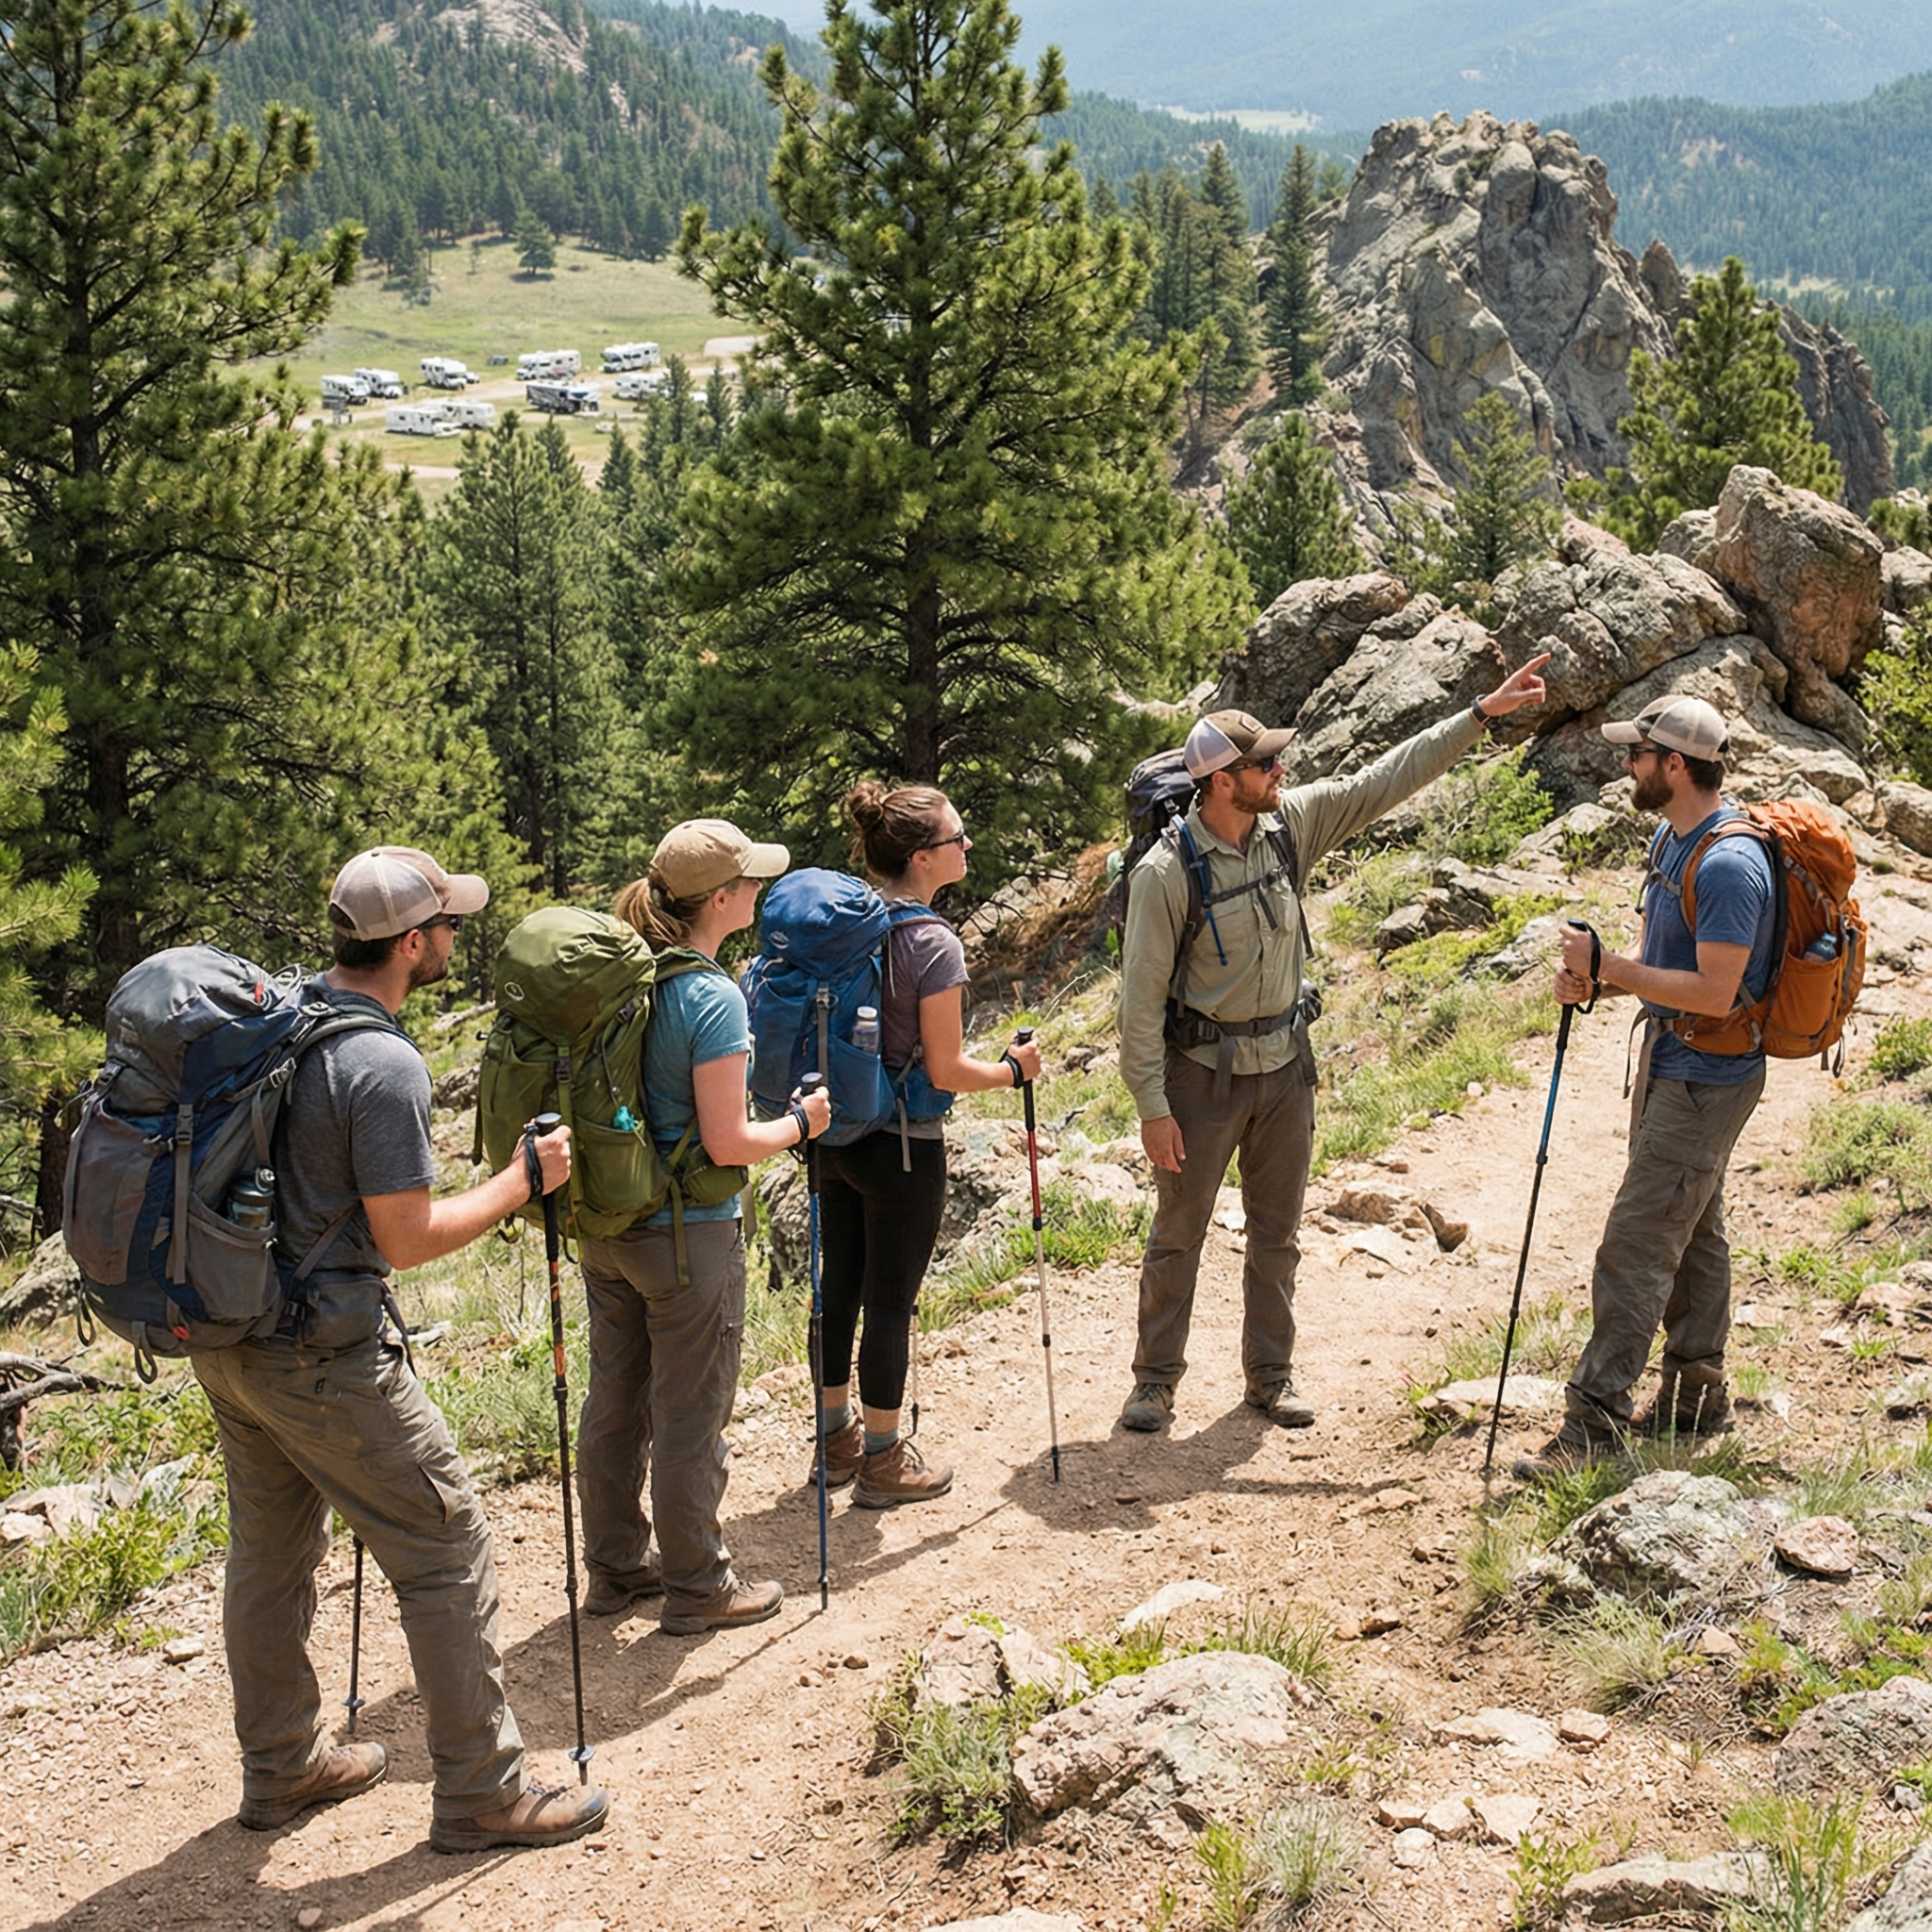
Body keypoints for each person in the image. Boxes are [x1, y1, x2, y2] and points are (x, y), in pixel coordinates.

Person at [194, 845, 610, 1853]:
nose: (458, 938)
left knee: (270, 1549)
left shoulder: (281, 1018)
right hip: (324, 1357)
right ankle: (481, 1789)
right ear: (412, 941)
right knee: (445, 1543)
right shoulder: (379, 1062)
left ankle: (284, 1764)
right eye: (450, 925)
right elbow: (406, 1238)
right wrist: (524, 1177)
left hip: (230, 1338)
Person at [1117, 658, 1551, 1435]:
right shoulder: (1165, 873)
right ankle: (1154, 1382)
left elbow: (1388, 779)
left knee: (1277, 1234)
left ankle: (1271, 1378)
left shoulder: (1291, 825)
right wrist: (1152, 1106)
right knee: (1179, 1232)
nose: (1281, 769)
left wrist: (1480, 713)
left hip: (1286, 1069)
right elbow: (1139, 1003)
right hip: (1200, 1080)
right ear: (1221, 781)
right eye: (1264, 764)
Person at [575, 821, 832, 1633]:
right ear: (719, 900)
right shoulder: (710, 995)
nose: (758, 891)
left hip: (609, 1222)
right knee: (690, 1413)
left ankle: (616, 1568)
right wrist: (801, 1124)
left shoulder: (618, 979)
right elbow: (728, 1141)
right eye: (749, 881)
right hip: (691, 1234)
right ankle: (698, 1585)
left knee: (616, 1400)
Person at [1515, 695, 1775, 1478]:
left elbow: (1719, 991)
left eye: (1637, 753)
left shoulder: (1730, 864)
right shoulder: (1674, 837)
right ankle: (1698, 1397)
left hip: (1708, 1074)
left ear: (1673, 764)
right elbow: (1659, 957)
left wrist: (1612, 971)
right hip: (1672, 1061)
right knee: (1692, 1228)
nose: (1625, 763)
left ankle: (1593, 1424)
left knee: (1635, 1245)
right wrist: (1600, 984)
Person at [812, 783, 1043, 1507]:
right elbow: (945, 1069)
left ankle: (836, 1440)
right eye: (956, 839)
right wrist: (1013, 1072)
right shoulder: (931, 943)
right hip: (903, 1146)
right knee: (890, 1302)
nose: (967, 847)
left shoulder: (847, 926)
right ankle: (884, 1461)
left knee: (839, 1285)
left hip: (832, 1135)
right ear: (921, 858)